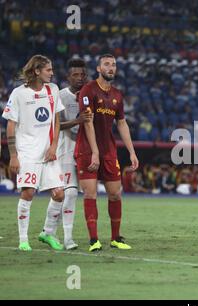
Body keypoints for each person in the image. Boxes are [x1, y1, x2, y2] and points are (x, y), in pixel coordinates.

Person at [75, 53, 139, 252]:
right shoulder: (88, 90)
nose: (111, 68)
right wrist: (94, 152)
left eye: (113, 65)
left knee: (115, 194)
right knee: (90, 193)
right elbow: (87, 121)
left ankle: (115, 238)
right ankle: (94, 240)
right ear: (98, 68)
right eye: (106, 64)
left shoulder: (117, 95)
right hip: (87, 149)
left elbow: (121, 123)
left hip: (109, 151)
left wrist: (132, 152)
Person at [2, 55, 66, 251]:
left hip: (48, 152)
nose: (52, 73)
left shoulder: (53, 90)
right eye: (48, 70)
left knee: (59, 194)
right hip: (27, 152)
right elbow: (10, 126)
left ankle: (47, 233)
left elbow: (56, 121)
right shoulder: (19, 94)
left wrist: (54, 146)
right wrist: (13, 155)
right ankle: (23, 240)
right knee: (28, 192)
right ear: (37, 71)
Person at [44, 58, 91, 250]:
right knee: (69, 192)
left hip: (84, 150)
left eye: (82, 75)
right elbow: (53, 125)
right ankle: (68, 238)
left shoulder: (89, 95)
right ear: (68, 77)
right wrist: (77, 121)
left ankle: (48, 231)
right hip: (64, 149)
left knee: (70, 193)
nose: (79, 78)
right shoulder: (60, 96)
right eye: (75, 75)